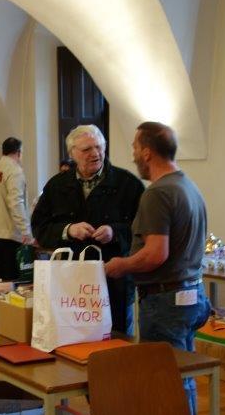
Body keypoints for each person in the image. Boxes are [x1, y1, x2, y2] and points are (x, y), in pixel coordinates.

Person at [103, 121, 211, 415]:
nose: (133, 154)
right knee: (181, 376)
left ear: (147, 152)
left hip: (166, 302)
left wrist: (121, 265)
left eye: (135, 147)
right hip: (190, 295)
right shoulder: (188, 186)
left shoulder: (158, 193)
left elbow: (155, 254)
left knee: (168, 379)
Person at [31, 124, 144, 334]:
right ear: (72, 154)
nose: (95, 153)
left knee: (116, 342)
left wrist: (114, 232)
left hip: (113, 283)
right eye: (86, 149)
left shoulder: (128, 184)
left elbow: (143, 230)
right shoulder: (56, 186)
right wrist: (68, 230)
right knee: (72, 339)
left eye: (99, 147)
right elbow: (39, 227)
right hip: (69, 283)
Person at [0, 137, 32, 281]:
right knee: (13, 278)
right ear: (19, 152)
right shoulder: (14, 171)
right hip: (9, 231)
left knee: (2, 275)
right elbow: (16, 203)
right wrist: (26, 231)